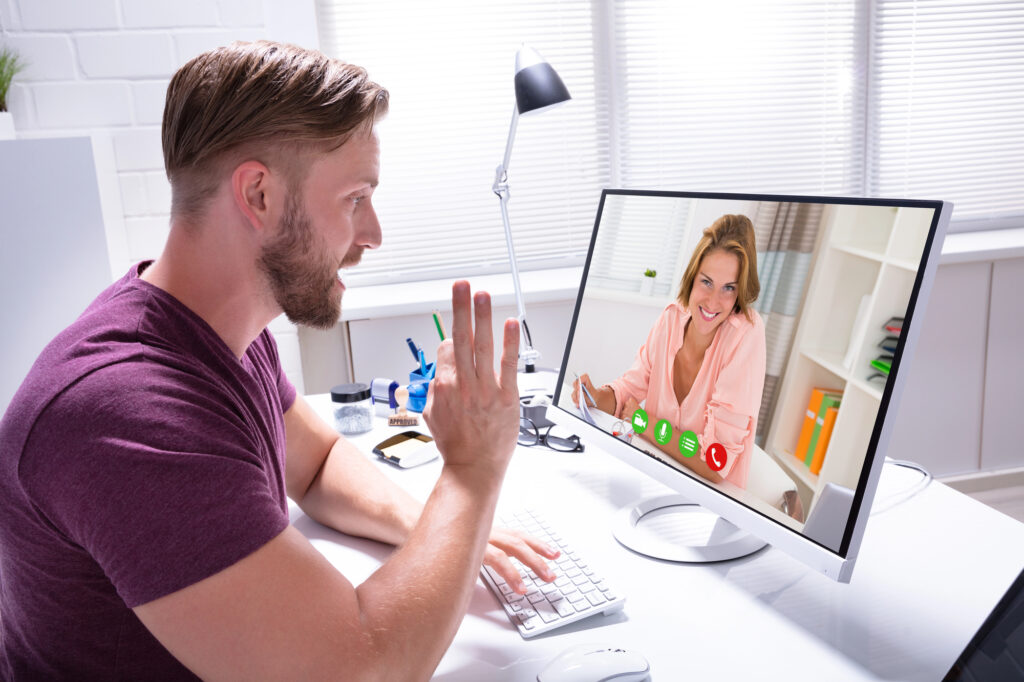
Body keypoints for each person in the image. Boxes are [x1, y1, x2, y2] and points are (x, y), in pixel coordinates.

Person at [0, 41, 560, 680]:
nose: (373, 233)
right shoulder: (126, 415)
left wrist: (438, 533)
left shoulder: (222, 332)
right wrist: (470, 471)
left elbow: (317, 464)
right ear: (259, 195)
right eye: (355, 198)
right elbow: (359, 670)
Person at [573, 214, 766, 489]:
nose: (712, 301)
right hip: (647, 478)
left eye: (729, 288)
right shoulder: (673, 317)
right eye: (707, 282)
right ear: (693, 276)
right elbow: (629, 389)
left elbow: (714, 463)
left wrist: (643, 422)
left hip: (705, 504)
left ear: (740, 292)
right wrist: (594, 397)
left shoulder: (746, 333)